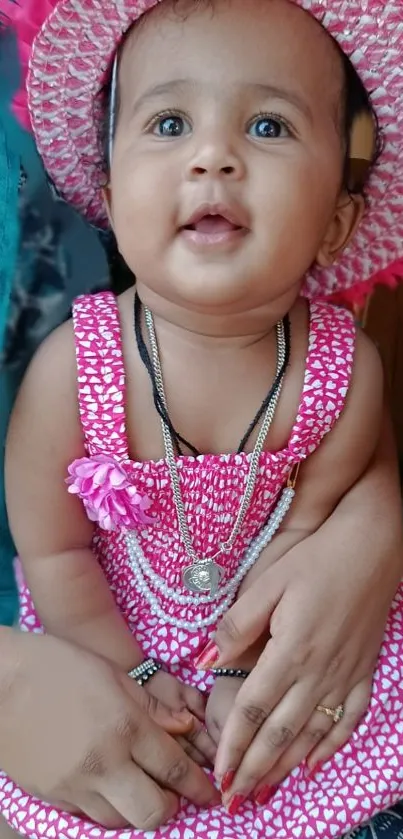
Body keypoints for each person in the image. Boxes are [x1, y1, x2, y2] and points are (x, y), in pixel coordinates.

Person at [0, 1, 403, 838]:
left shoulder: (342, 370)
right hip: (104, 627)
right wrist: (135, 668)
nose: (212, 156)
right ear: (110, 198)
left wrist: (247, 665)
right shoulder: (73, 371)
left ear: (334, 224)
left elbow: (307, 527)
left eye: (266, 125)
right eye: (170, 122)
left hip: (270, 622)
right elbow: (53, 549)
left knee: (324, 745)